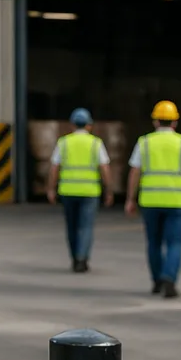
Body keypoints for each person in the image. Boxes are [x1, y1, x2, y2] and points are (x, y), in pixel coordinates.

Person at [125, 100, 181, 299]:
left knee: (154, 243)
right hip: (177, 203)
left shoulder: (144, 142)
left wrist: (130, 198)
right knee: (174, 243)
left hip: (150, 201)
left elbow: (135, 172)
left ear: (155, 121)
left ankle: (157, 281)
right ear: (175, 122)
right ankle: (169, 277)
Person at [45, 108, 113, 273]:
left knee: (72, 226)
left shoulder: (64, 143)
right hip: (89, 192)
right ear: (89, 125)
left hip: (68, 191)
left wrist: (50, 189)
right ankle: (82, 258)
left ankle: (75, 256)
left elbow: (54, 168)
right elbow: (104, 168)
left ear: (72, 125)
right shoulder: (96, 143)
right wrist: (109, 190)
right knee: (86, 226)